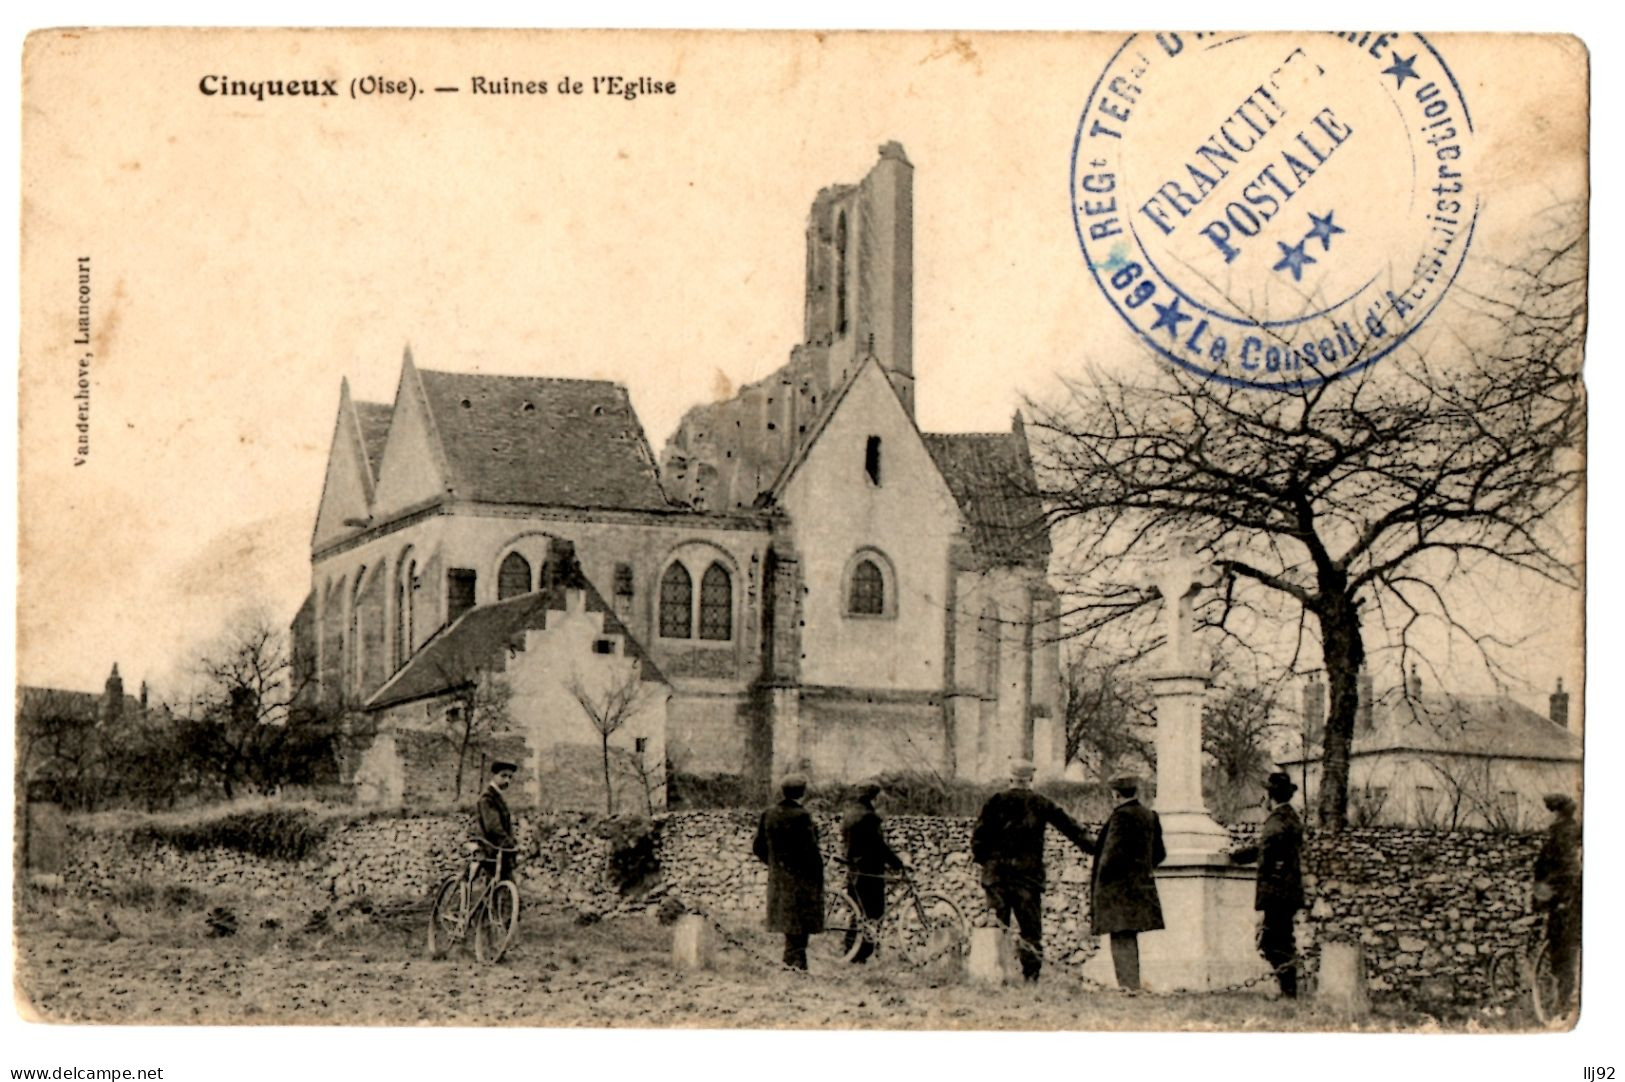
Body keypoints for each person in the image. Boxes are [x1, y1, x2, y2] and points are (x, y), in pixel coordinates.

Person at [971, 759, 1095, 981]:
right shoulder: (1040, 803)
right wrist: (1095, 847)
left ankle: (995, 975)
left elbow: (978, 838)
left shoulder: (995, 802)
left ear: (1011, 778)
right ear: (1031, 780)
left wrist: (987, 864)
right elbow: (1071, 828)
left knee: (998, 927)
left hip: (997, 877)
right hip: (1027, 878)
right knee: (1030, 931)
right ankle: (1030, 978)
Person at [1229, 771, 1305, 998]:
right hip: (1288, 890)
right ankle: (1289, 989)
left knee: (1272, 942)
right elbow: (1265, 847)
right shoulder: (1291, 817)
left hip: (1276, 891)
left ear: (1269, 797)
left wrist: (1236, 855)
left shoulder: (1276, 821)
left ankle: (1288, 990)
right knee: (1283, 939)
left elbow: (1266, 850)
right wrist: (1238, 855)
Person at [1088, 773, 1165, 992]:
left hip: (1117, 888)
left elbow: (1109, 855)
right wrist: (1139, 869)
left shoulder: (1120, 817)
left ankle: (1128, 987)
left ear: (1115, 794)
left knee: (1120, 935)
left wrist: (1102, 882)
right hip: (1140, 885)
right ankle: (1132, 985)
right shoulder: (1150, 816)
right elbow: (1159, 854)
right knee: (1129, 935)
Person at [752, 773, 825, 970]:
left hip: (779, 878)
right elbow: (810, 850)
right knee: (800, 923)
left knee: (788, 923)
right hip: (802, 879)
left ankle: (791, 962)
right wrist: (817, 872)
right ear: (802, 793)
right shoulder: (802, 816)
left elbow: (758, 847)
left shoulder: (769, 813)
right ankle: (797, 964)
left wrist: (776, 864)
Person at [840, 777, 906, 962]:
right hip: (870, 872)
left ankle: (851, 952)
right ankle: (861, 954)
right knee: (873, 913)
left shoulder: (850, 814)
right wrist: (897, 863)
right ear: (874, 797)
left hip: (854, 870)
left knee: (857, 914)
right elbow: (879, 846)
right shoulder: (870, 817)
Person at [1533, 792, 1581, 1013]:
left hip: (1565, 903)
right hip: (1567, 901)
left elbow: (1562, 871)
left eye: (1552, 813)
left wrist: (1554, 898)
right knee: (1565, 954)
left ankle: (1562, 1006)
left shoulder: (1563, 835)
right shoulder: (1571, 833)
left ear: (1559, 814)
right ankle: (1562, 1003)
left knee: (1562, 955)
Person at [475, 760, 520, 882]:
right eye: (503, 776)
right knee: (499, 884)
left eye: (510, 777)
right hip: (491, 849)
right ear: (493, 776)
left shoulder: (498, 797)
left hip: (500, 850)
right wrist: (508, 843)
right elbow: (493, 826)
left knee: (501, 885)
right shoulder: (487, 797)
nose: (507, 781)